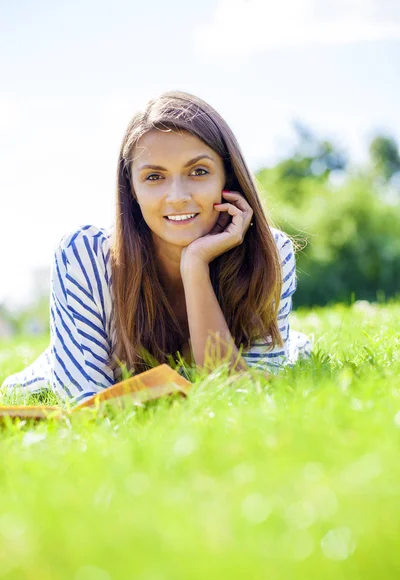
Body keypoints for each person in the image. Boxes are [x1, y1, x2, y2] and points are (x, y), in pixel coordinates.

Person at [1, 90, 312, 406]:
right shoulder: (84, 255)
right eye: (154, 176)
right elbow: (88, 404)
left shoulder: (270, 251)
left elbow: (243, 394)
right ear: (132, 188)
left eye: (198, 172)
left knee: (292, 352)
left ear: (227, 178)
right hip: (49, 378)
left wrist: (195, 266)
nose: (177, 196)